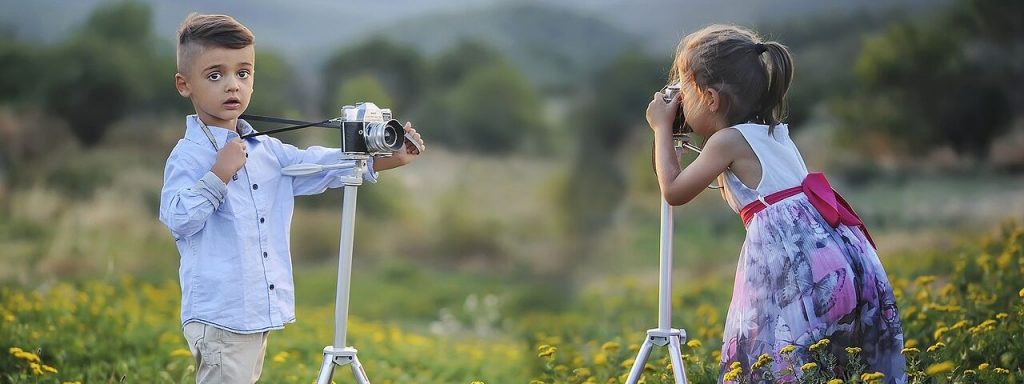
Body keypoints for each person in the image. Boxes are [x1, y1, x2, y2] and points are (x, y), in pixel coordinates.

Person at [159, 13, 424, 383]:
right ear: (184, 84)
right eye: (215, 75)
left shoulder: (266, 151)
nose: (232, 86)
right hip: (220, 315)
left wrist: (382, 159)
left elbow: (314, 164)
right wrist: (219, 174)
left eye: (244, 73)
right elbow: (177, 219)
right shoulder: (189, 156)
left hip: (255, 313)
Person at [646, 25, 905, 383]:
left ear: (709, 98)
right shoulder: (773, 132)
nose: (679, 102)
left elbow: (673, 191)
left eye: (684, 90)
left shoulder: (727, 141)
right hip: (841, 264)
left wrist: (661, 129)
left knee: (773, 358)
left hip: (797, 277)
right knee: (832, 367)